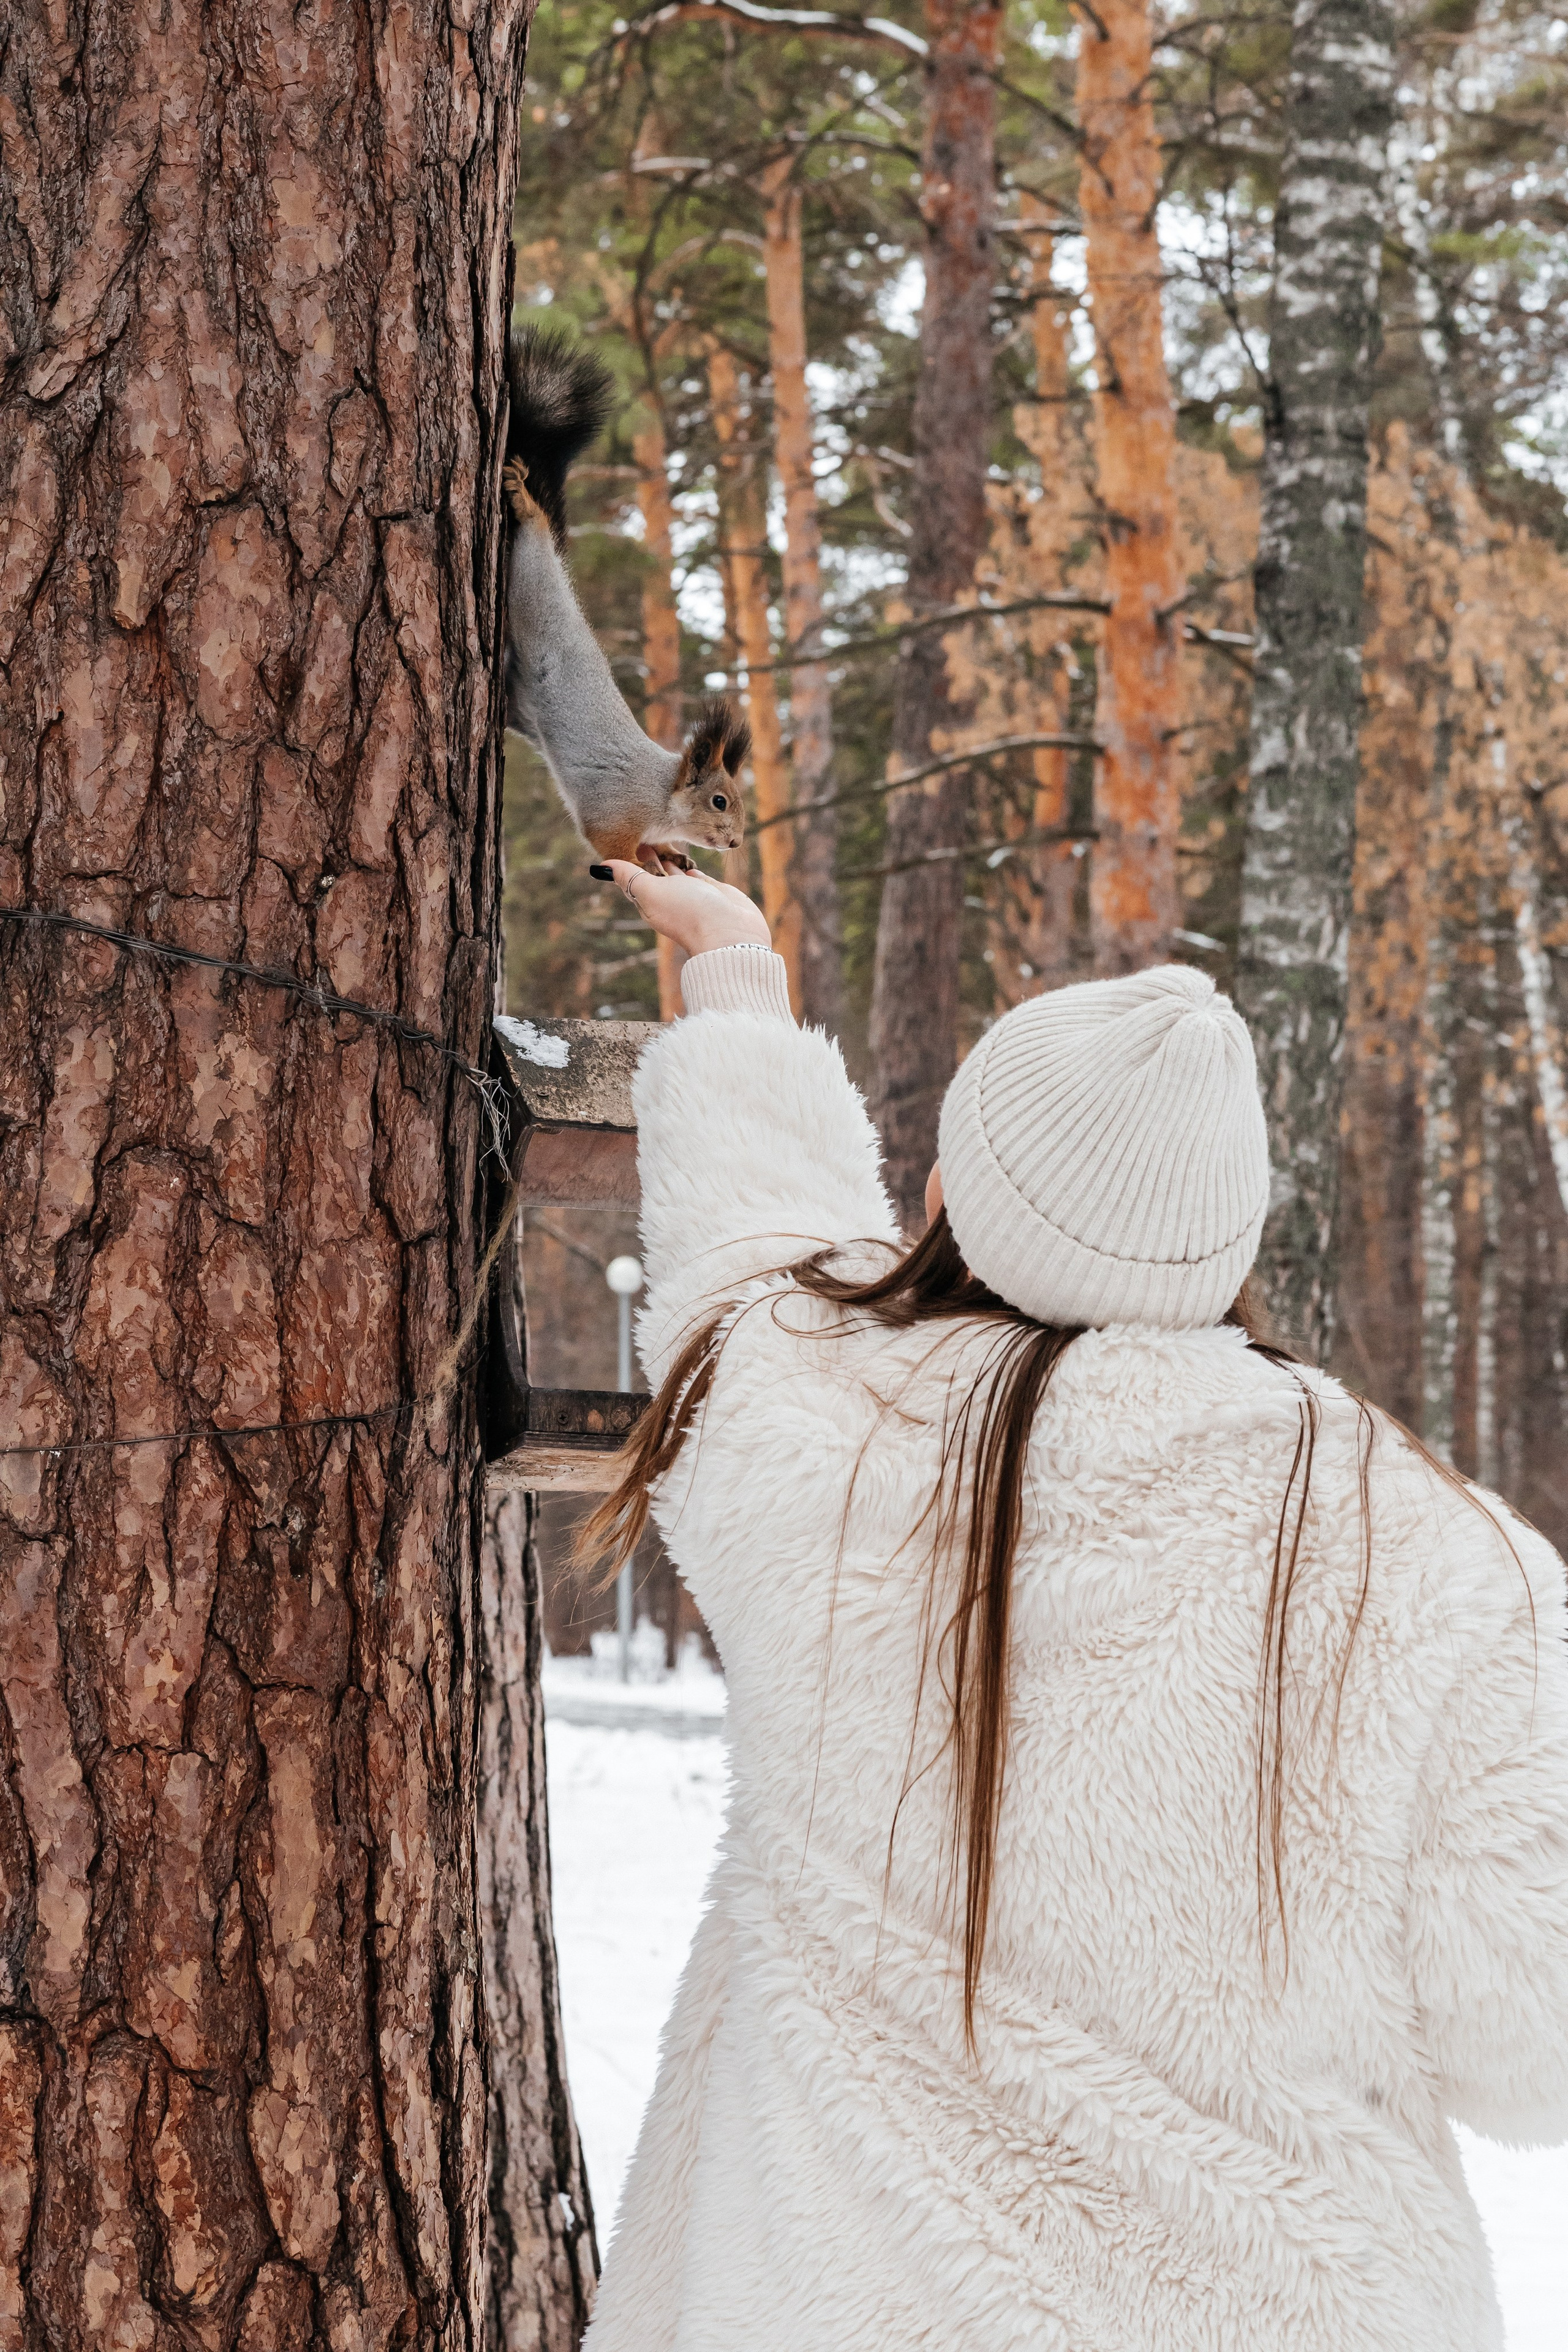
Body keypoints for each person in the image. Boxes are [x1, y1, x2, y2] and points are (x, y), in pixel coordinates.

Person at [578, 862, 1568, 2352]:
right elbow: (1529, 2042)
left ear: (947, 1197)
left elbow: (743, 1234)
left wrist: (734, 976)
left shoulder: (813, 1422)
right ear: (1222, 1244)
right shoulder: (1422, 1550)